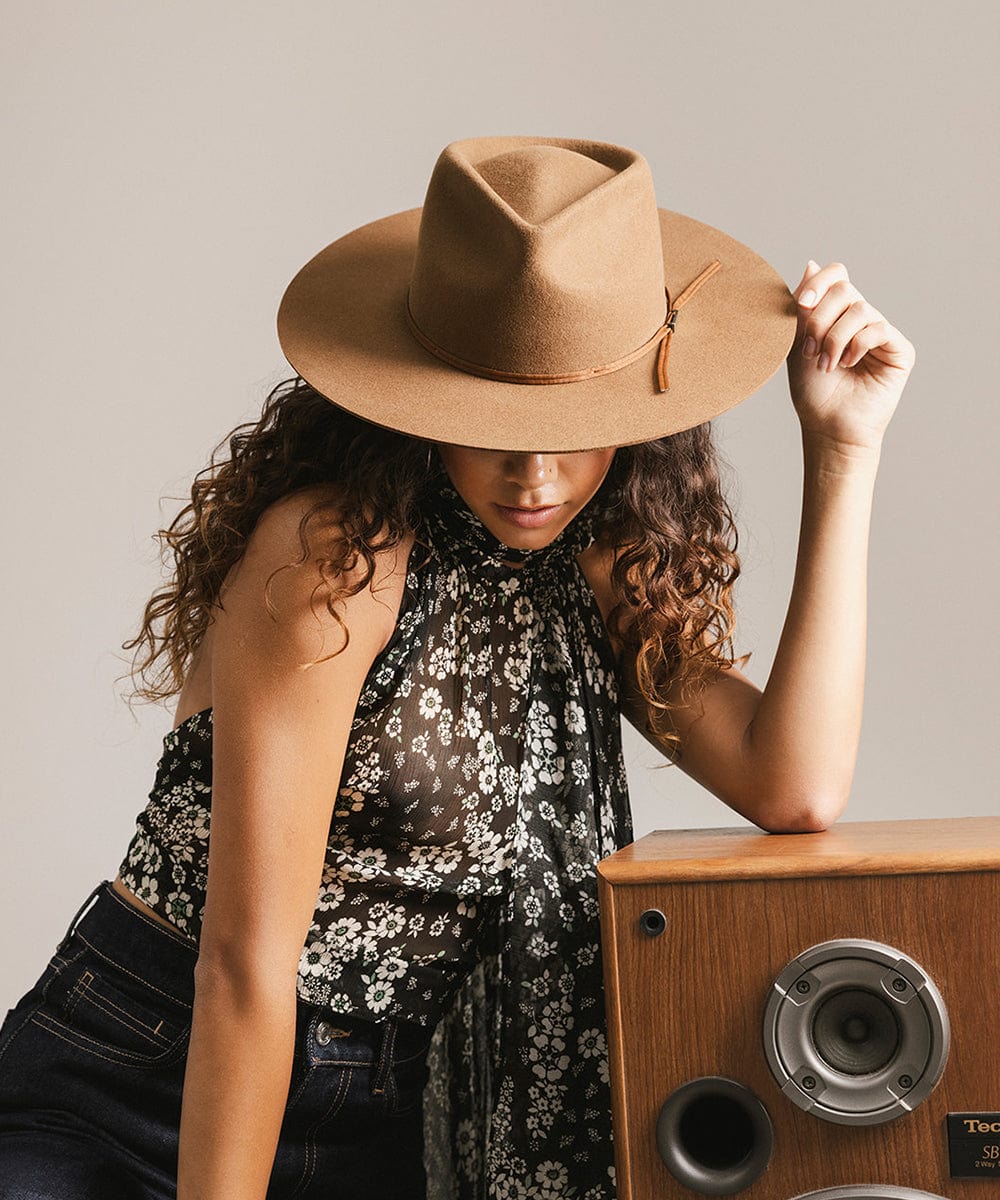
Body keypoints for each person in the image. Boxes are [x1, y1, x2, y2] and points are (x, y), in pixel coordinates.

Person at [0, 136, 914, 1199]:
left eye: (573, 428)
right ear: (422, 393)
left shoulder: (594, 564)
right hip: (150, 1070)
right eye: (492, 423)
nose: (534, 475)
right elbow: (245, 966)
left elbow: (790, 784)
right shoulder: (335, 563)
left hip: (387, 1111)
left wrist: (842, 453)